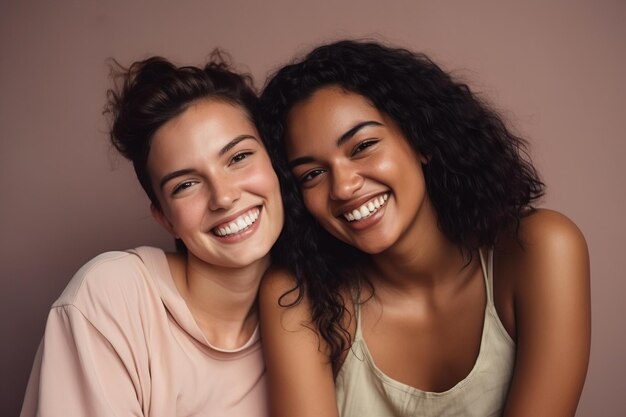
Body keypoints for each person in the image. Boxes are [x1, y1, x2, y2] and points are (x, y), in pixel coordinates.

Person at [258, 40, 590, 417]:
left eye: (363, 146)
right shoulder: (298, 300)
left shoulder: (540, 250)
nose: (343, 187)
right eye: (313, 173)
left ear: (421, 140)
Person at [20, 53, 283, 417]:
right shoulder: (112, 297)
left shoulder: (317, 306)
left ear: (276, 165)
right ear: (164, 217)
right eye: (186, 184)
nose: (223, 197)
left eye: (238, 158)